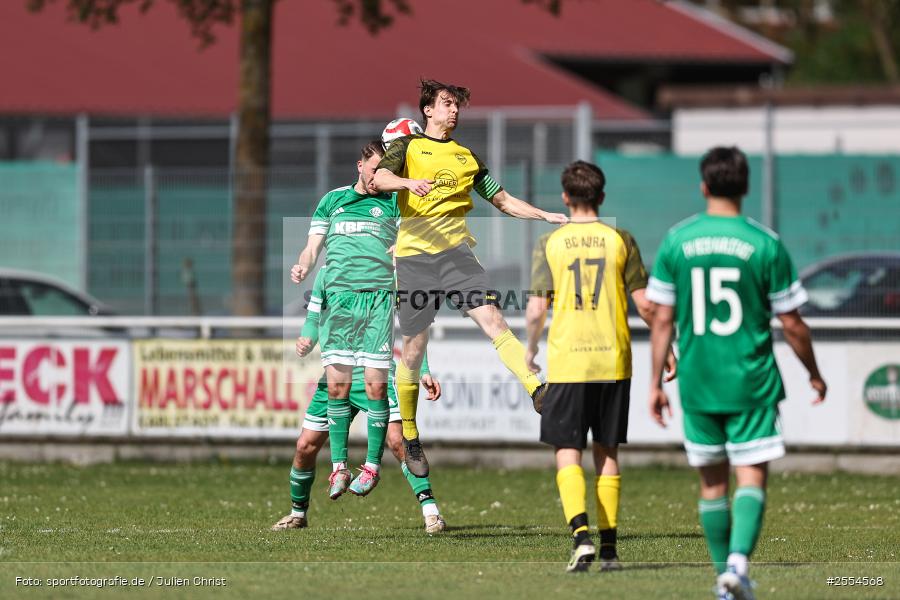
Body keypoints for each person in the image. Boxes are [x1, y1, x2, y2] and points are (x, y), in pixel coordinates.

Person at [646, 146, 826, 599]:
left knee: (712, 483)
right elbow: (793, 323)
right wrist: (814, 373)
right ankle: (739, 566)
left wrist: (654, 384)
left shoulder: (677, 240)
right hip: (751, 379)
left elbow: (661, 318)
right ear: (745, 187)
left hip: (698, 380)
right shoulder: (765, 242)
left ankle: (722, 579)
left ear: (704, 186)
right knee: (751, 476)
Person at [372, 79, 568, 477]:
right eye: (447, 104)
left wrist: (545, 215)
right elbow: (380, 180)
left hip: (457, 257)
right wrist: (408, 182)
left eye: (457, 105)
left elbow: (503, 200)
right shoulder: (407, 147)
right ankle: (410, 434)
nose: (454, 111)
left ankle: (536, 389)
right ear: (428, 109)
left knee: (495, 319)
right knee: (413, 350)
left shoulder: (466, 157)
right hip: (414, 261)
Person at [525, 160, 676, 572]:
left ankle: (581, 537)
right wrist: (669, 349)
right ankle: (609, 549)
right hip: (613, 360)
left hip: (569, 361)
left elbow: (537, 307)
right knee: (606, 451)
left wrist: (530, 349)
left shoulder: (550, 244)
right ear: (601, 197)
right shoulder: (620, 239)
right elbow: (645, 304)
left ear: (564, 198)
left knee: (567, 450)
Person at [272, 266, 446, 533]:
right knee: (305, 445)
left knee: (399, 441)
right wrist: (308, 338)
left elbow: (413, 329)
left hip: (376, 372)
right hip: (338, 375)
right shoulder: (327, 272)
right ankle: (298, 514)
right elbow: (314, 317)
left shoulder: (387, 272)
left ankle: (431, 511)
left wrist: (422, 370)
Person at [291, 141, 400, 498]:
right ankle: (338, 467)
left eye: (387, 172)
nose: (380, 178)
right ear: (360, 166)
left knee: (375, 387)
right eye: (375, 170)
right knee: (336, 387)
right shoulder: (333, 200)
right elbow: (313, 245)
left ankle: (370, 467)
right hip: (339, 302)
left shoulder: (395, 202)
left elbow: (413, 244)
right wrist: (305, 263)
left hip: (378, 300)